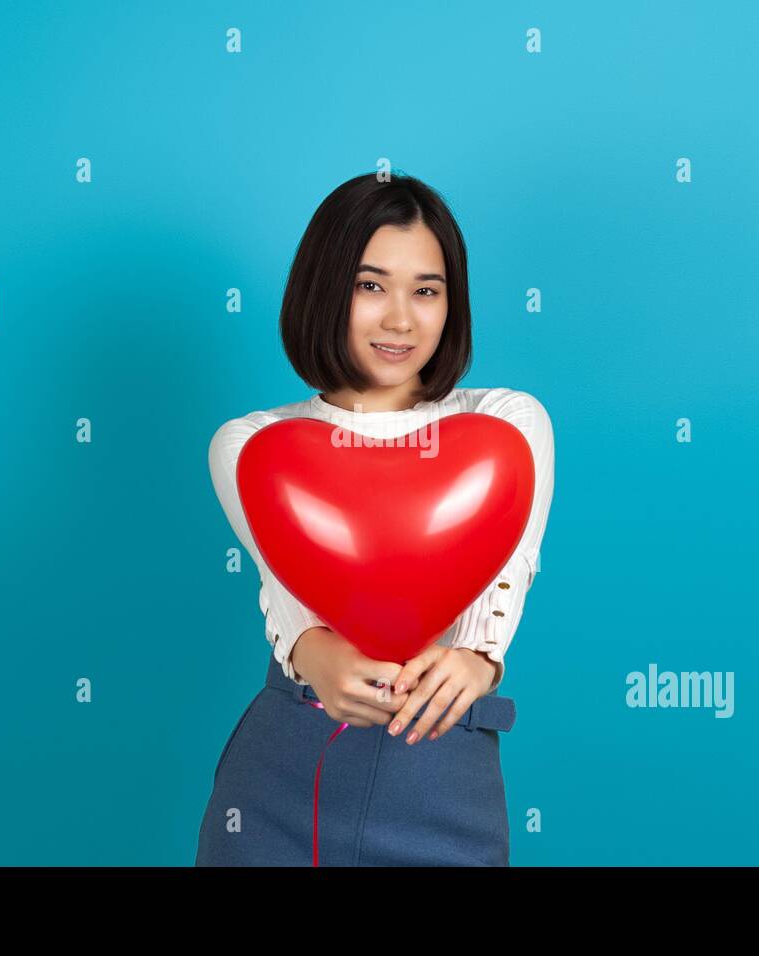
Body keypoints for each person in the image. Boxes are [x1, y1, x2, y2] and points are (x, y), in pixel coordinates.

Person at [195, 172, 555, 866]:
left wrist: (478, 657)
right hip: (286, 771)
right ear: (325, 289)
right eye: (370, 285)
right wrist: (311, 654)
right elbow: (286, 583)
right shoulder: (252, 444)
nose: (400, 319)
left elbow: (511, 570)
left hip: (444, 773)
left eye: (427, 289)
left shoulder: (504, 425)